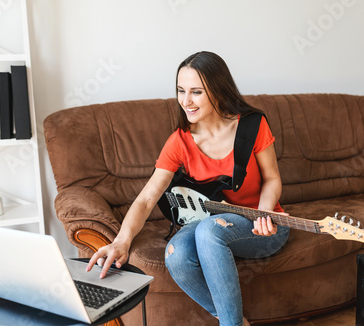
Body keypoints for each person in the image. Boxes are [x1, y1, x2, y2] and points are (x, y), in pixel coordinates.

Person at [87, 51, 290, 326]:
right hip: (211, 226)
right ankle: (235, 321)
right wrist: (121, 241)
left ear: (218, 91)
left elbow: (272, 179)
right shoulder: (180, 141)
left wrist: (264, 213)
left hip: (262, 226)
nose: (186, 101)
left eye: (196, 92)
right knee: (176, 254)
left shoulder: (253, 124)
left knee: (209, 230)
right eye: (181, 91)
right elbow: (148, 198)